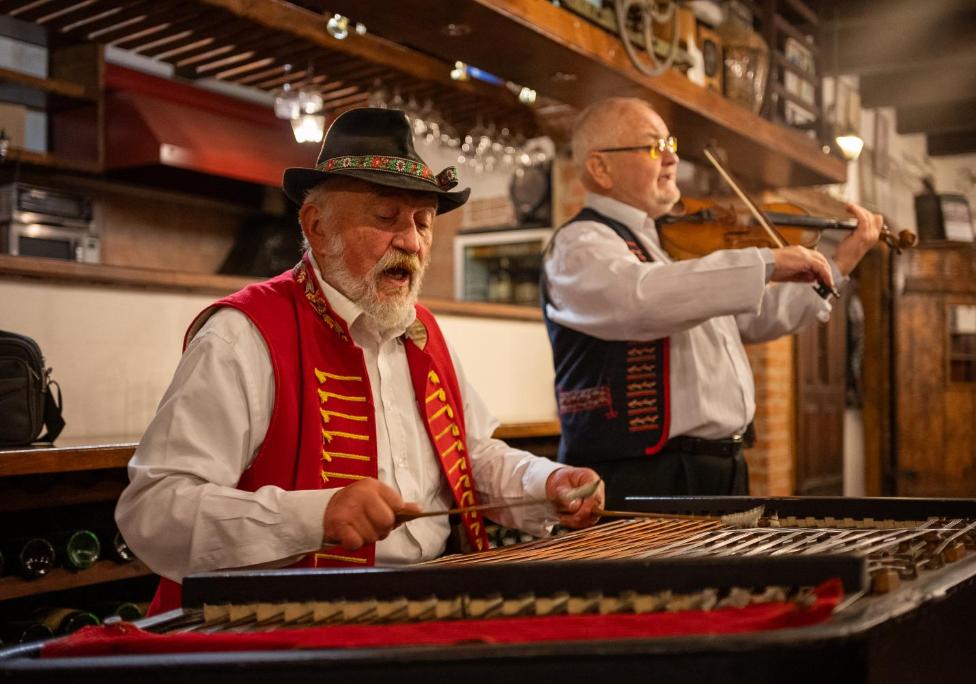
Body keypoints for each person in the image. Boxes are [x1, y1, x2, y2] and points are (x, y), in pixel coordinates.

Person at [115, 108, 604, 615]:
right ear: (317, 227)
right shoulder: (243, 335)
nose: (412, 242)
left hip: (425, 606)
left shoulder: (423, 331)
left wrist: (543, 483)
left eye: (422, 222)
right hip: (279, 627)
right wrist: (316, 516)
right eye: (386, 218)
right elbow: (154, 512)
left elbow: (470, 457)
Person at [542, 97, 882, 502]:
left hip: (721, 469)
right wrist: (767, 261)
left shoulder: (668, 248)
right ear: (600, 167)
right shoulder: (579, 244)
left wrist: (841, 261)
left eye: (671, 144)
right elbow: (643, 298)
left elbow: (757, 319)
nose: (671, 159)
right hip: (645, 475)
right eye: (654, 147)